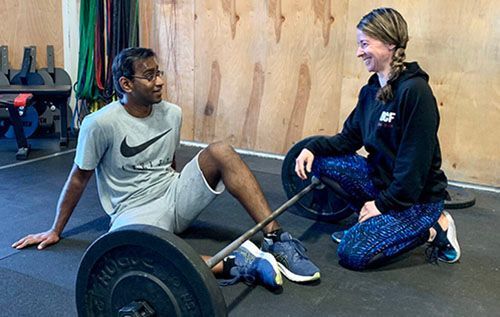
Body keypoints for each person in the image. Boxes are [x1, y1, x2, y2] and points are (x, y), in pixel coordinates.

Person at [12, 47, 320, 288]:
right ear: (126, 83)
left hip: (173, 194)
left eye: (159, 72)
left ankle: (277, 239)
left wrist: (182, 188)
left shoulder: (172, 113)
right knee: (124, 252)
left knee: (220, 150)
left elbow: (171, 162)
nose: (159, 81)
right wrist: (55, 230)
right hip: (135, 209)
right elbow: (78, 179)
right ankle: (240, 262)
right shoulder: (99, 124)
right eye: (149, 75)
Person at [295, 7, 460, 270]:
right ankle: (375, 226)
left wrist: (382, 205)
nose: (358, 52)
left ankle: (435, 227)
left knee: (352, 253)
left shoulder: (415, 92)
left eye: (364, 44)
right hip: (383, 184)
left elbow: (413, 170)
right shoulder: (372, 89)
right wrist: (311, 148)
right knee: (322, 162)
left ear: (389, 43)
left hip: (416, 199)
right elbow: (348, 140)